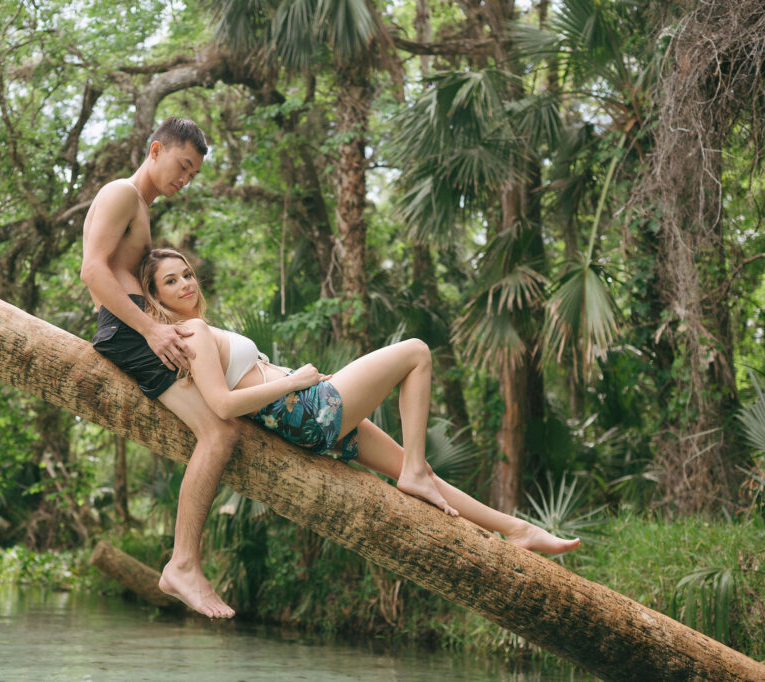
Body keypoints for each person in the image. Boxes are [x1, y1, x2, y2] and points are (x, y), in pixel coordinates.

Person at [138, 247, 582, 555]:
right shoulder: (191, 333)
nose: (185, 284)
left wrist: (291, 380)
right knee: (416, 352)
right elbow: (221, 405)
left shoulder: (195, 333)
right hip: (307, 408)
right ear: (155, 298)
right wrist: (295, 383)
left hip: (307, 416)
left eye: (188, 274)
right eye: (170, 281)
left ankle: (517, 530)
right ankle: (413, 473)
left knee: (421, 470)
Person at [80, 118, 238, 619]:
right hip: (127, 332)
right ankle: (183, 565)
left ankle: (185, 562)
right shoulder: (121, 194)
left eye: (193, 174)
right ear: (155, 150)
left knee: (223, 426)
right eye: (182, 165)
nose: (185, 179)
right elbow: (92, 270)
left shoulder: (141, 208)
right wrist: (149, 330)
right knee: (219, 432)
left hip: (135, 328)